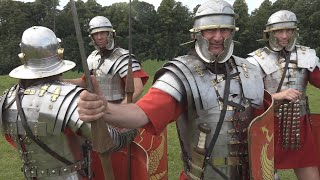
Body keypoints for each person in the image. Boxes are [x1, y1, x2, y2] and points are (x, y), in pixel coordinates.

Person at [77, 1, 274, 179]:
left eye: (224, 30)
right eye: (210, 30)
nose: (218, 37)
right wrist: (106, 109)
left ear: (232, 32)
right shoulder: (181, 73)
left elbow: (262, 130)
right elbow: (141, 113)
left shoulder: (251, 71)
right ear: (197, 33)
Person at [0, 26, 137, 180]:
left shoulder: (7, 99)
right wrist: (131, 127)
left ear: (23, 56)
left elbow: (14, 138)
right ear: (59, 53)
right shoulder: (70, 98)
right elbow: (108, 141)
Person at [67, 16, 168, 179]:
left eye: (103, 33)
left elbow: (136, 87)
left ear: (111, 34)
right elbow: (85, 82)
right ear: (91, 37)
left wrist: (121, 114)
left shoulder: (123, 57)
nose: (100, 37)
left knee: (121, 162)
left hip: (119, 115)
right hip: (100, 115)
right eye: (96, 34)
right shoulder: (92, 58)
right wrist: (58, 81)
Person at [247, 10, 320, 180]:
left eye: (289, 31)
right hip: (267, 126)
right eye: (279, 31)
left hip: (298, 125)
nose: (285, 36)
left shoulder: (307, 55)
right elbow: (247, 97)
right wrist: (277, 96)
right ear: (269, 33)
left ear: (295, 32)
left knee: (311, 174)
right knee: (266, 174)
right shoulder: (255, 60)